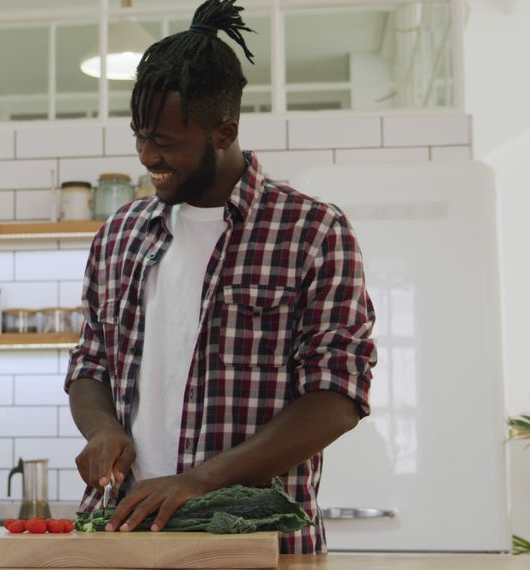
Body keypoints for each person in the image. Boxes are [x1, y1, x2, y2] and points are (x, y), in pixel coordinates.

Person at [65, 0, 377, 554]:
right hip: (123, 536)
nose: (146, 156)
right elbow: (90, 364)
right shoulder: (119, 234)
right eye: (139, 135)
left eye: (165, 141)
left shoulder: (312, 230)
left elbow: (338, 395)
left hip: (255, 541)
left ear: (223, 132)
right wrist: (102, 429)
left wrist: (201, 480)